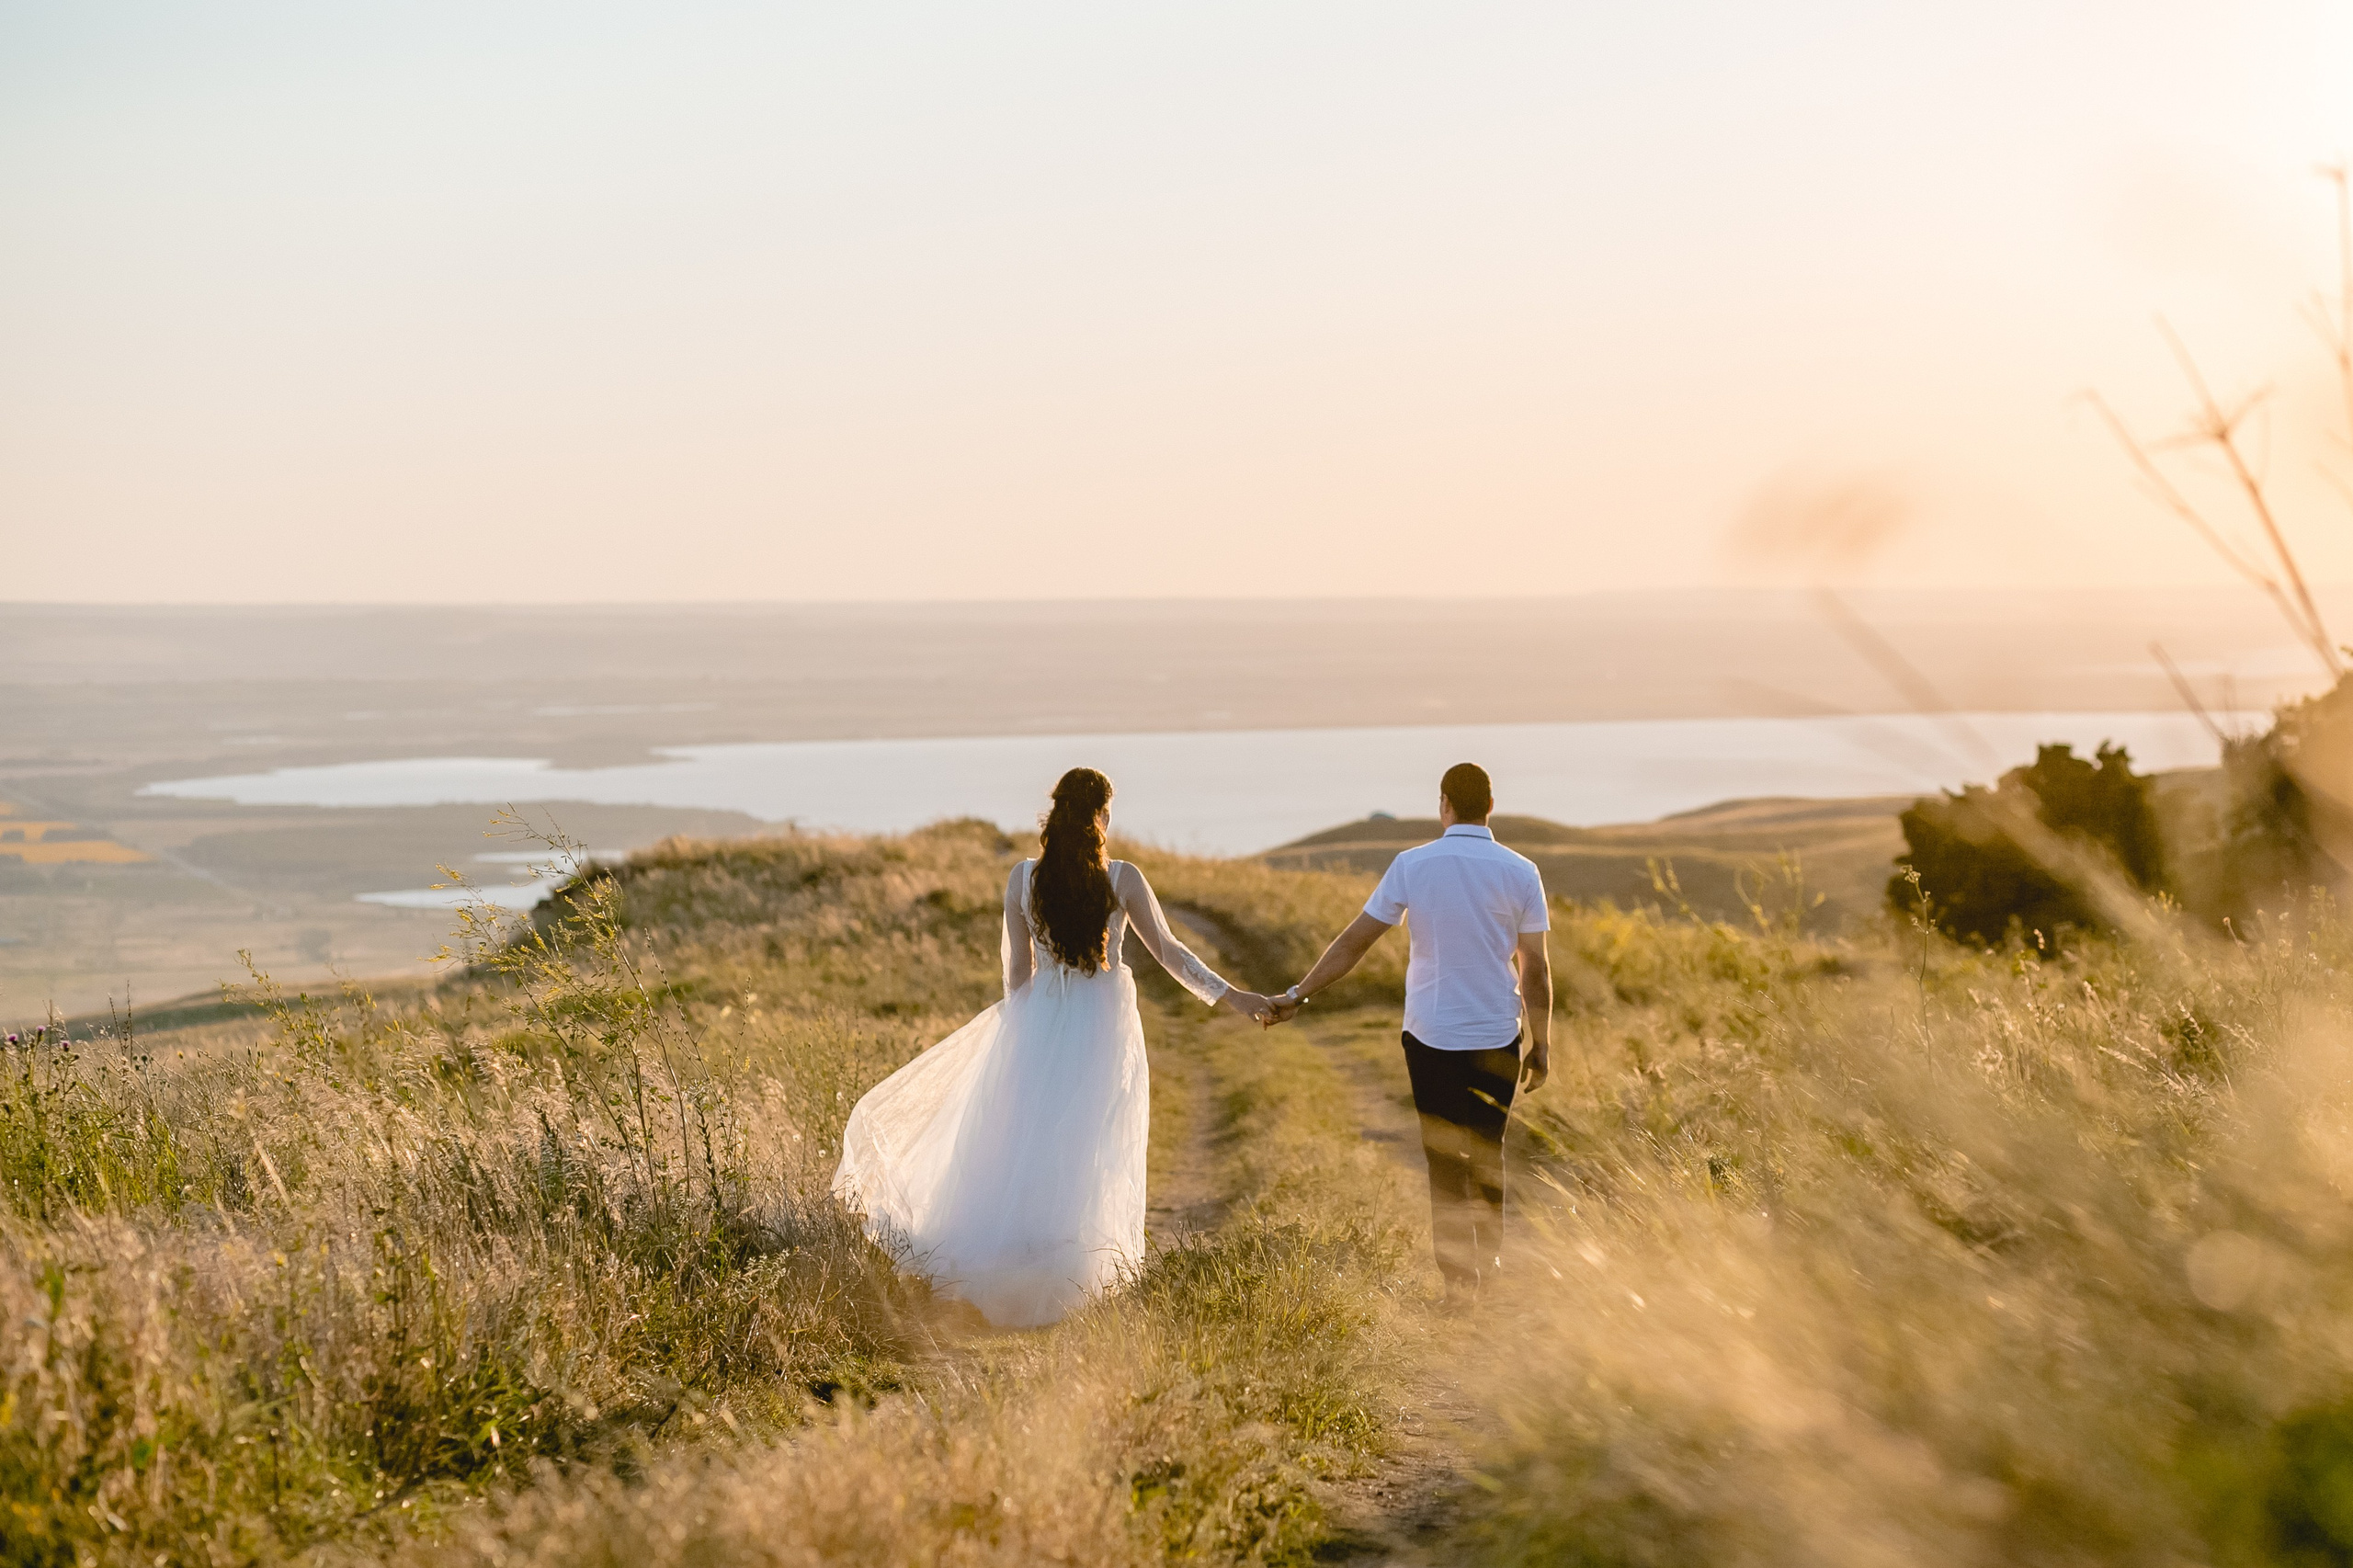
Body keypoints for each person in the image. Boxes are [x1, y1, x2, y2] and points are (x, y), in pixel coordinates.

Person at [832, 767, 1275, 1327]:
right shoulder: (1123, 877)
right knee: (1090, 1138)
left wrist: (1019, 1031)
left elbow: (1016, 973)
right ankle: (1070, 1273)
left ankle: (1013, 1260)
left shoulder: (1022, 878)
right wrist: (1235, 996)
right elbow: (1170, 952)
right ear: (1103, 817)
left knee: (1027, 1135)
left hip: (1039, 1017)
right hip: (1101, 1022)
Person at [1266, 762, 1550, 1301]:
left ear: (1444, 804)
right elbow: (1535, 966)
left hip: (1431, 1037)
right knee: (1489, 1149)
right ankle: (1487, 1268)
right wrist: (1543, 1041)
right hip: (1497, 1034)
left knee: (1443, 1157)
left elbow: (1354, 943)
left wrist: (1297, 994)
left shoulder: (1412, 865)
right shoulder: (1521, 871)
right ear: (1490, 806)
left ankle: (1456, 1284)